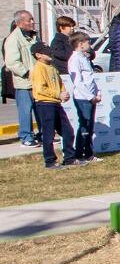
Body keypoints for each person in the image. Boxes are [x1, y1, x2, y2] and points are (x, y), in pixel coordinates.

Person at [29, 41, 75, 169]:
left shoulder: (52, 67)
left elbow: (59, 83)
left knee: (68, 131)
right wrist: (57, 94)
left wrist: (63, 93)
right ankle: (50, 161)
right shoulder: (38, 68)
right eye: (45, 51)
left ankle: (70, 158)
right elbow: (40, 89)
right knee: (49, 134)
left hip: (56, 103)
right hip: (44, 104)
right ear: (38, 55)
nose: (49, 53)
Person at [4, 10, 39, 147]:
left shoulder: (34, 37)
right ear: (19, 23)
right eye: (29, 20)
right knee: (25, 110)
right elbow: (12, 62)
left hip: (38, 81)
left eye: (32, 19)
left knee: (41, 109)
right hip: (24, 83)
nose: (32, 22)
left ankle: (43, 134)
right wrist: (27, 73)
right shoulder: (13, 39)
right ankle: (26, 137)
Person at [66, 32, 100, 162]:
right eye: (88, 42)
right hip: (82, 98)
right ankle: (80, 153)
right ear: (80, 44)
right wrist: (90, 97)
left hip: (91, 97)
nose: (89, 45)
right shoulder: (74, 60)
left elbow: (90, 78)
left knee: (89, 126)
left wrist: (97, 93)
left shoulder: (84, 58)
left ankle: (89, 153)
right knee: (84, 126)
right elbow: (78, 82)